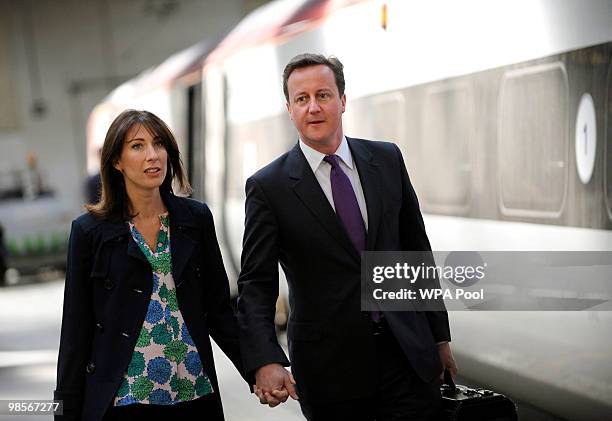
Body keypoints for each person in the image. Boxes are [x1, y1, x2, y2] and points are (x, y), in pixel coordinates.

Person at [236, 54, 457, 420]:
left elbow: (416, 253)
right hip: (329, 374)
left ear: (342, 100)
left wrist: (439, 337)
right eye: (301, 99)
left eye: (323, 95)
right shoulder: (268, 187)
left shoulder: (386, 159)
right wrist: (264, 359)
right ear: (289, 109)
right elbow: (256, 284)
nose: (313, 107)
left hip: (407, 358)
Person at [54, 110, 248, 421]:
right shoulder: (89, 232)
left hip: (193, 389)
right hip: (125, 396)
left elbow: (220, 311)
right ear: (116, 161)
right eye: (137, 146)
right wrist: (64, 412)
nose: (152, 155)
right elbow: (76, 332)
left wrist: (259, 369)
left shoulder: (195, 219)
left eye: (159, 145)